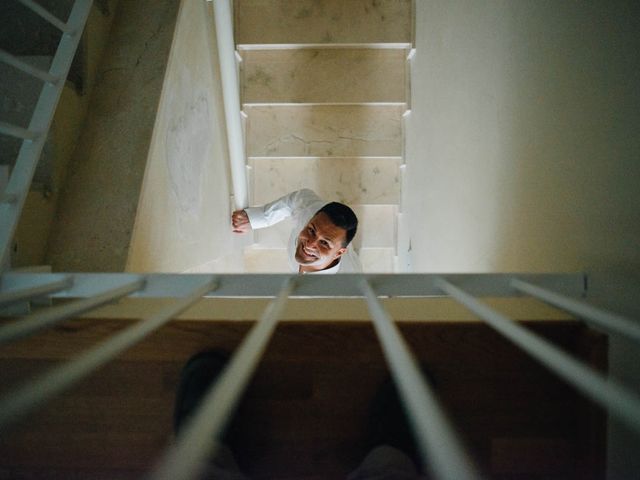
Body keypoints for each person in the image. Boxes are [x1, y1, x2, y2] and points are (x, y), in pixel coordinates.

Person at [231, 189, 362, 274]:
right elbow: (300, 198)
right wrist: (259, 218)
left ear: (339, 253)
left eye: (324, 243)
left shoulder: (347, 286)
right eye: (311, 230)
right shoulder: (310, 212)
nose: (310, 244)